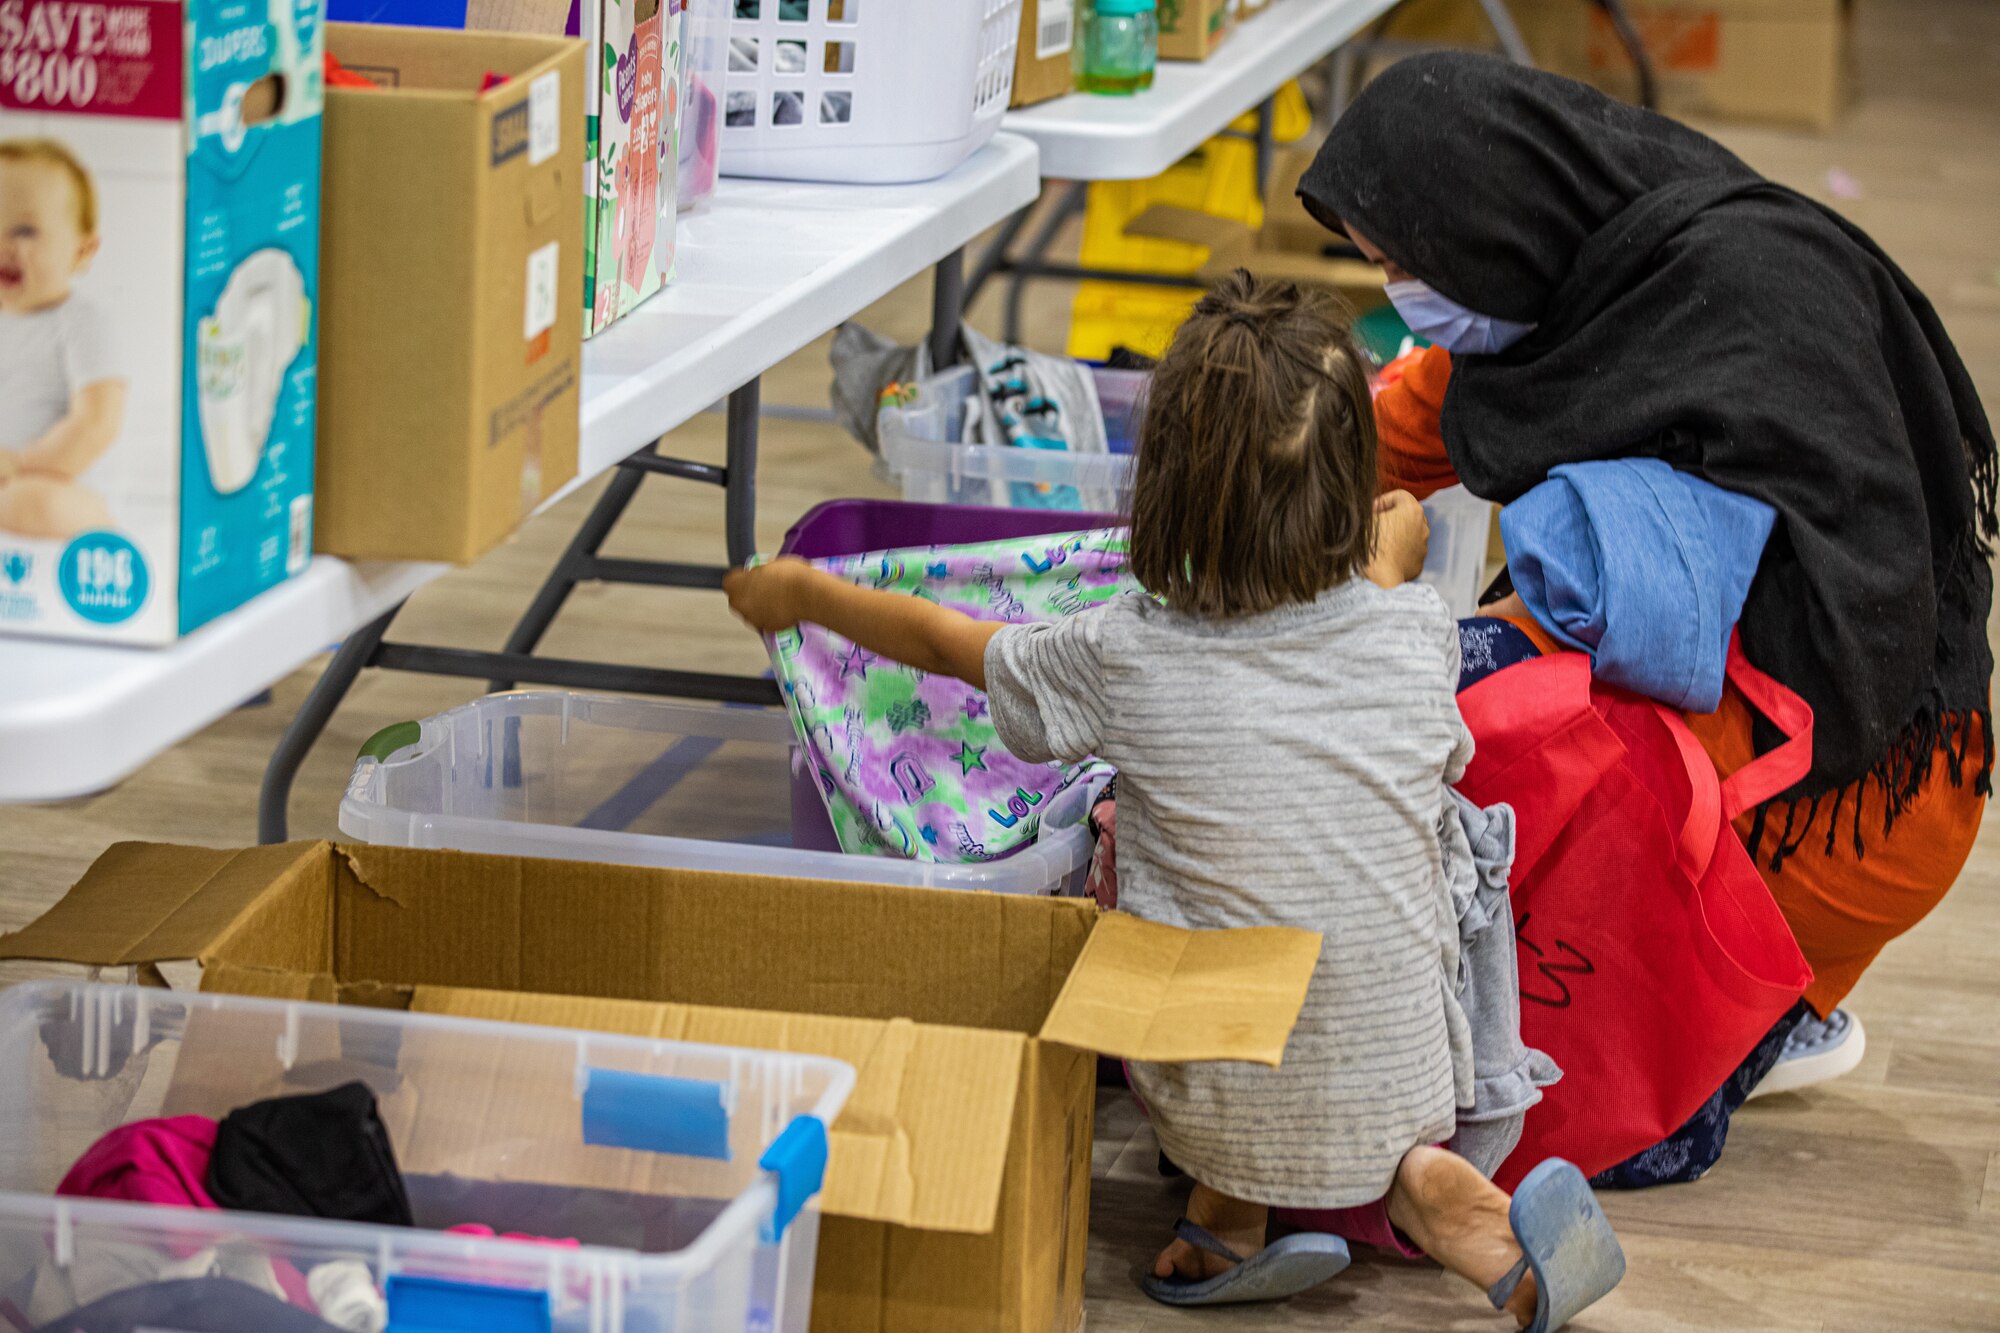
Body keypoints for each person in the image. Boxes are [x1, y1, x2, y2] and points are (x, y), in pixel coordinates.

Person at [727, 272, 1625, 1328]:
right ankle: (1424, 1184)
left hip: (1211, 1089)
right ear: (1352, 477)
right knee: (1416, 838)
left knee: (1122, 827)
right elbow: (1378, 576)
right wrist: (1396, 548)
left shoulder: (1123, 653)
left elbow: (942, 644)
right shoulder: (1409, 627)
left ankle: (1226, 1206)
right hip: (1413, 1066)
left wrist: (801, 594)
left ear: (1164, 490)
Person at [1298, 53, 1994, 1111]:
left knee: (1487, 715)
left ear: (1484, 235)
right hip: (1858, 757)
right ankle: (1775, 1007)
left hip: (1857, 804)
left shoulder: (1729, 318)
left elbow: (1621, 630)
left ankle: (1750, 990)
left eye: (1402, 267)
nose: (1401, 298)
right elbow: (1388, 432)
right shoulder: (1588, 265)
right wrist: (1246, 498)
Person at [0, 137, 124, 540]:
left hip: (63, 484)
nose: (4, 246)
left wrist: (18, 464)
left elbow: (96, 423)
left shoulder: (81, 322)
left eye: (24, 230)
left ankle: (102, 534)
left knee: (31, 502)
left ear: (82, 250)